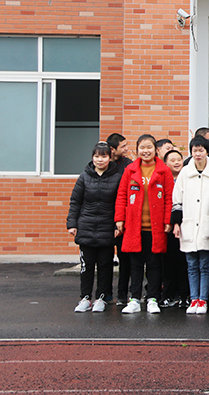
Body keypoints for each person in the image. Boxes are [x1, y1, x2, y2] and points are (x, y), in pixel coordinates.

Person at [115, 134, 174, 314]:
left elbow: (169, 198)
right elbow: (122, 195)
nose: (145, 151)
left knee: (154, 264)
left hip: (156, 227)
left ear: (156, 150)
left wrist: (168, 220)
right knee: (135, 264)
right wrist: (119, 219)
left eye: (149, 147)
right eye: (142, 147)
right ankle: (134, 299)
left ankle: (152, 298)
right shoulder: (130, 170)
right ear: (137, 150)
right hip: (134, 226)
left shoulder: (164, 171)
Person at [67, 142, 123, 312]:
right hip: (86, 227)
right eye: (97, 156)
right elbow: (75, 202)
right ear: (92, 158)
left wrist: (118, 223)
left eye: (103, 156)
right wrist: (72, 224)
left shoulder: (117, 177)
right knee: (87, 267)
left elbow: (120, 202)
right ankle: (85, 298)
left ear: (109, 158)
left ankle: (101, 298)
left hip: (107, 228)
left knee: (105, 266)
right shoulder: (84, 177)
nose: (100, 159)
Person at [172, 135, 209, 315]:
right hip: (188, 223)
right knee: (191, 265)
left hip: (207, 224)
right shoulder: (185, 172)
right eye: (194, 150)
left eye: (201, 150)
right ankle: (194, 299)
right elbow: (177, 200)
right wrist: (176, 223)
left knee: (205, 265)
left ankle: (203, 299)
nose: (198, 154)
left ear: (207, 151)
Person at [160, 148, 189, 308]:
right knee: (169, 262)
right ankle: (168, 294)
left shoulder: (187, 178)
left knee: (184, 262)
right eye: (172, 160)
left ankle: (184, 295)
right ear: (165, 164)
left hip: (186, 223)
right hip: (168, 225)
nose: (177, 162)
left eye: (179, 159)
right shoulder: (163, 179)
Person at [107, 132, 133, 305]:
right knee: (105, 259)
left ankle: (123, 294)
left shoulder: (128, 164)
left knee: (125, 258)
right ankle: (106, 293)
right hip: (106, 218)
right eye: (122, 146)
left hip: (124, 218)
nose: (126, 149)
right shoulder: (104, 164)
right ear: (112, 149)